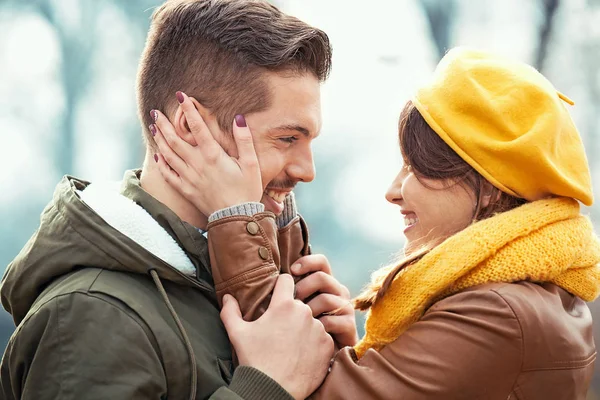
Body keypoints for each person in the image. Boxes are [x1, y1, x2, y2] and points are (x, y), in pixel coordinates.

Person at [153, 47, 600, 399]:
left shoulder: (498, 316)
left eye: (417, 167)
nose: (394, 190)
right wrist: (346, 352)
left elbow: (298, 392)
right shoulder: (526, 301)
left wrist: (237, 215)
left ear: (493, 185)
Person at [0, 1, 355, 399]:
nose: (309, 170)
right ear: (190, 125)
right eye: (287, 138)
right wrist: (267, 388)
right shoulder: (89, 313)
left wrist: (335, 365)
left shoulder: (231, 284)